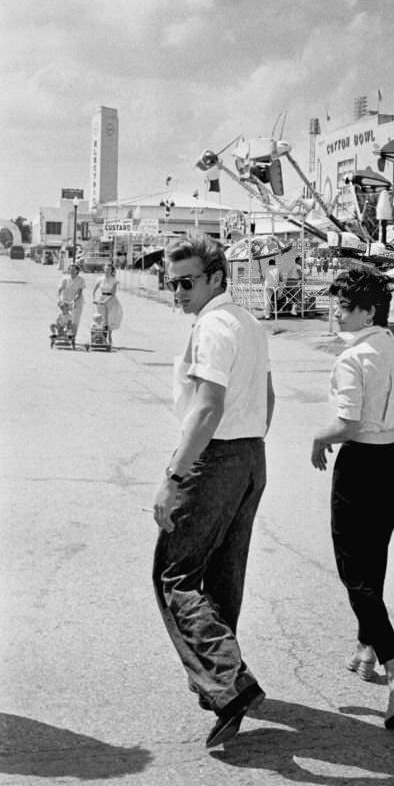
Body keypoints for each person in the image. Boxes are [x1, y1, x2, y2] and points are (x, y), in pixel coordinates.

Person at [152, 233, 275, 750]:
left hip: (214, 459)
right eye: (171, 282)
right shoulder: (246, 321)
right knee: (223, 575)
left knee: (174, 575)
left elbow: (207, 407)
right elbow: (267, 396)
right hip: (248, 456)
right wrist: (247, 449)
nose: (177, 291)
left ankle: (229, 682)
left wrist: (175, 475)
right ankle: (220, 686)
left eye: (186, 282)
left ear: (216, 279)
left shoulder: (214, 327)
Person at [311, 268, 394, 731]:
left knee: (352, 568)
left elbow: (346, 425)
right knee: (374, 560)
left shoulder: (354, 358)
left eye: (345, 306)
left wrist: (316, 439)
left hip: (361, 463)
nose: (338, 312)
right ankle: (366, 646)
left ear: (369, 311)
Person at [92, 262, 123, 344]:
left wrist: (105, 301)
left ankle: (109, 336)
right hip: (101, 298)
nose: (107, 271)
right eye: (106, 269)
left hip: (111, 300)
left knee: (110, 319)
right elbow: (94, 290)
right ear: (103, 269)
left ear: (112, 270)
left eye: (109, 269)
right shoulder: (100, 279)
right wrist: (94, 299)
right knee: (102, 319)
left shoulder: (114, 280)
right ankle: (102, 337)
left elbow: (113, 293)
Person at [57, 263, 85, 336]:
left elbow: (79, 293)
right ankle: (62, 334)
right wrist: (60, 299)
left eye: (74, 270)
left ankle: (73, 336)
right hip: (65, 300)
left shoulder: (80, 280)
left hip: (76, 301)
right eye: (70, 269)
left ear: (77, 271)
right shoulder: (65, 279)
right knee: (63, 318)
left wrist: (73, 301)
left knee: (75, 320)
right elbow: (60, 290)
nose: (72, 271)